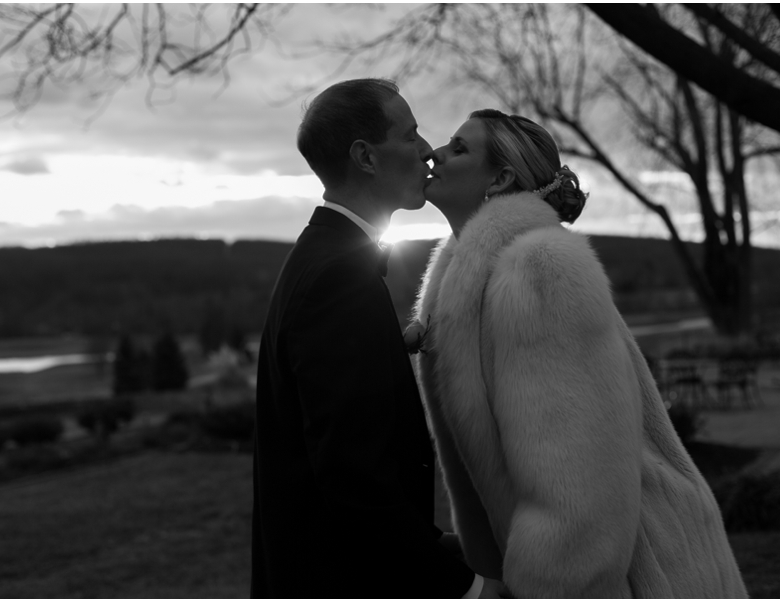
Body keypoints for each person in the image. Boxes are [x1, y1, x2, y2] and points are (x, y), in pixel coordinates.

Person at [412, 109, 748, 598]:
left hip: (636, 575)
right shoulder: (468, 278)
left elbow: (579, 503)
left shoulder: (540, 271)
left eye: (459, 148)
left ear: (501, 177)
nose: (434, 154)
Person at [251, 80, 509, 598]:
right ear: (366, 157)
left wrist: (430, 540)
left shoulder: (329, 261)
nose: (426, 151)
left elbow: (345, 453)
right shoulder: (336, 280)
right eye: (410, 134)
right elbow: (353, 481)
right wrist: (470, 591)